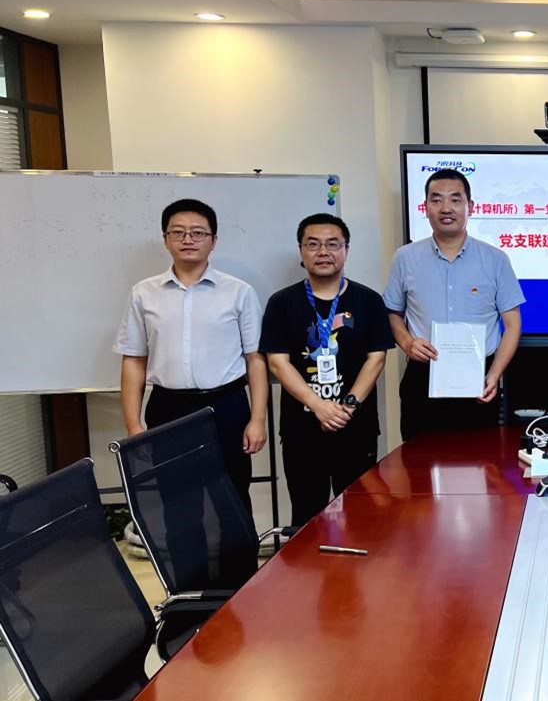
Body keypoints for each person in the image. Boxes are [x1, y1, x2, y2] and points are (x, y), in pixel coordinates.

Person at [114, 198, 267, 514]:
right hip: (168, 408)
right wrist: (134, 425)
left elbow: (255, 360)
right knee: (177, 504)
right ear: (165, 239)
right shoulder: (143, 293)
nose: (188, 239)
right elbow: (134, 360)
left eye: (198, 233)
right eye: (178, 232)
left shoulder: (239, 292)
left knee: (233, 500)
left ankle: (239, 551)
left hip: (226, 406)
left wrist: (257, 419)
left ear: (213, 240)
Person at [259, 214, 394, 526]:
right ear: (301, 251)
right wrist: (318, 405)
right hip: (302, 429)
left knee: (360, 516)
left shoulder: (368, 300)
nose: (323, 252)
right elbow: (278, 362)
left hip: (356, 427)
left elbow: (376, 358)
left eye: (333, 244)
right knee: (307, 516)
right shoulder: (281, 303)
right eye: (313, 244)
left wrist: (348, 406)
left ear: (346, 249)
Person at [384, 168, 525, 440]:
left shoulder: (495, 259)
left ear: (470, 206)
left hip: (479, 380)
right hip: (423, 377)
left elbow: (512, 325)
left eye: (455, 199)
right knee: (418, 461)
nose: (446, 208)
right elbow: (393, 313)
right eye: (436, 200)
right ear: (425, 207)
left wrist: (494, 374)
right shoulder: (405, 258)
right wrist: (408, 343)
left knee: (478, 460)